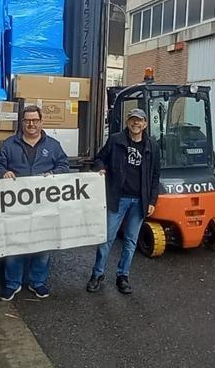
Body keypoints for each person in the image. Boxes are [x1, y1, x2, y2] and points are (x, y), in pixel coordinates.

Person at [0, 105, 70, 301]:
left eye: (35, 120)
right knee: (15, 243)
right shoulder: (10, 144)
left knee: (43, 244)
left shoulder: (53, 145)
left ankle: (38, 282)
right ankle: (12, 283)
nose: (31, 124)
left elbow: (64, 165)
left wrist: (53, 174)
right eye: (27, 120)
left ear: (41, 122)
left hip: (45, 206)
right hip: (16, 205)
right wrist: (3, 172)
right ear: (22, 122)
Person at [86, 108, 160, 295]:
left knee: (130, 241)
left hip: (140, 200)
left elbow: (155, 176)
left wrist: (152, 200)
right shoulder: (115, 140)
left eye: (139, 121)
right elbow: (99, 159)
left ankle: (123, 276)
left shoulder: (152, 146)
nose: (136, 123)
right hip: (117, 198)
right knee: (107, 239)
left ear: (145, 124)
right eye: (133, 120)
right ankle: (97, 274)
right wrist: (101, 168)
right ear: (128, 122)